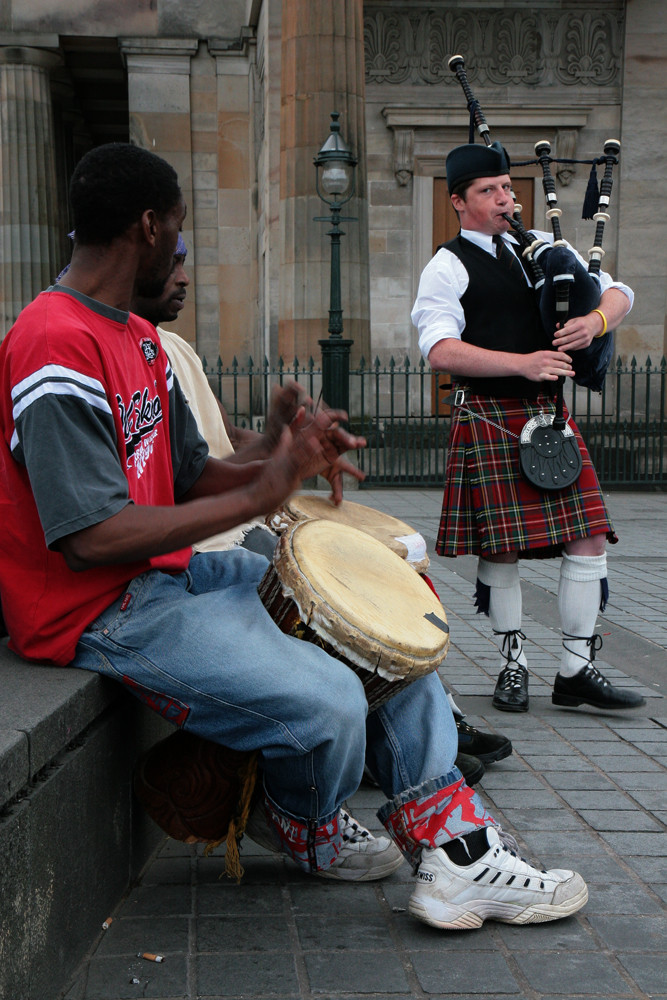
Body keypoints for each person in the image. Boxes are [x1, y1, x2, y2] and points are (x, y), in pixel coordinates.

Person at [0, 142, 588, 931]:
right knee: (330, 701)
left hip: (166, 577)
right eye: (176, 234)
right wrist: (270, 486)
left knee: (377, 626)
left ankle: (454, 850)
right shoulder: (52, 342)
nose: (181, 253)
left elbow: (186, 473)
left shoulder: (137, 339)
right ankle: (303, 826)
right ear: (147, 226)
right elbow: (93, 538)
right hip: (97, 609)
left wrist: (275, 451)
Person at [131, 241, 513, 784]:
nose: (186, 277)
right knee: (332, 590)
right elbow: (183, 481)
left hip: (233, 524)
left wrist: (278, 441)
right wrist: (270, 479)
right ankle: (407, 755)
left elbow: (212, 449)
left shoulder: (173, 348)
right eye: (173, 261)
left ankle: (423, 744)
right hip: (204, 544)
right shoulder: (126, 353)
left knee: (376, 569)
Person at [412, 141, 645, 715]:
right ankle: (512, 665)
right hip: (491, 414)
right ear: (459, 201)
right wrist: (523, 363)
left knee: (589, 535)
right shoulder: (447, 266)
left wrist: (593, 323)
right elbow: (440, 350)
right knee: (504, 546)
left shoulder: (542, 246)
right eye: (489, 191)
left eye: (508, 189)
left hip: (549, 417)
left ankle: (576, 670)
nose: (504, 199)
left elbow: (620, 294)